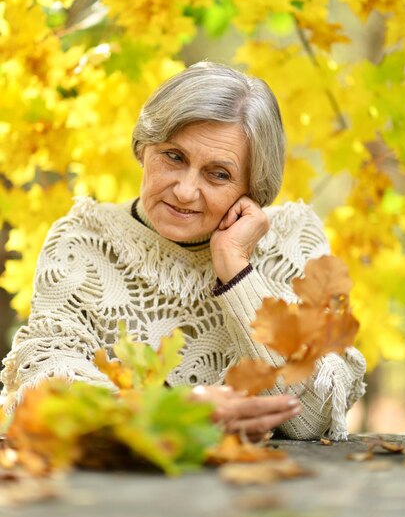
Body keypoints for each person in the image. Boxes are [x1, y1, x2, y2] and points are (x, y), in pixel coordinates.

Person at [0, 62, 366, 440]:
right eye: (174, 157)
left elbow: (312, 420)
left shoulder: (292, 240)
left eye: (218, 173)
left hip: (256, 489)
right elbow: (45, 386)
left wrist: (237, 271)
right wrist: (169, 412)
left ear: (253, 187)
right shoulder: (83, 240)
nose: (186, 191)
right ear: (144, 148)